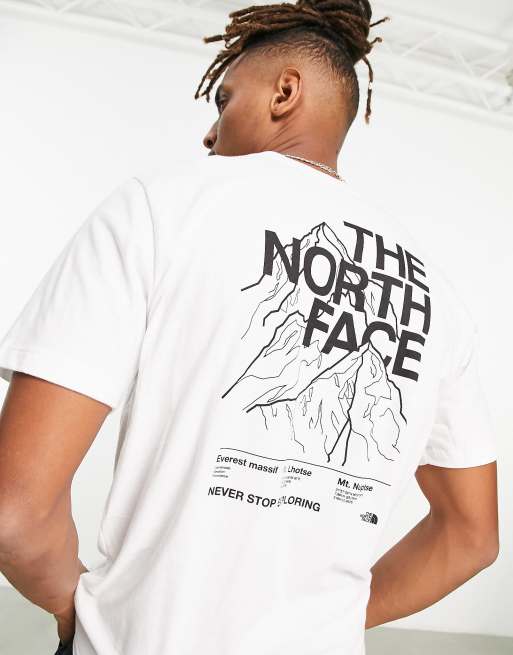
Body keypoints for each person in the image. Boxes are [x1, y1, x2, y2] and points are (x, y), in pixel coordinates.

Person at [0, 0, 499, 654]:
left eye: (224, 99)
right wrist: (325, 623)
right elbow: (472, 535)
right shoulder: (438, 296)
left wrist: (81, 614)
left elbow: (15, 511)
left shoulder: (159, 209)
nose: (210, 134)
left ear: (284, 92)